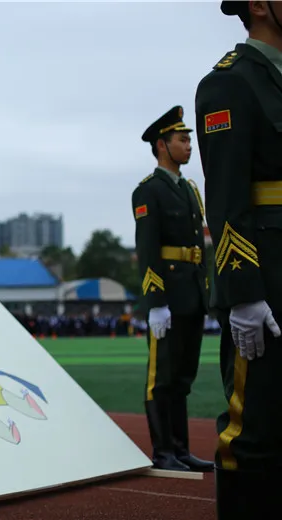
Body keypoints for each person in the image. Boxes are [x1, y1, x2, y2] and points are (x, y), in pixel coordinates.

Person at [195, 2, 282, 517]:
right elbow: (227, 198)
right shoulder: (228, 83)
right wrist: (244, 292)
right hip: (267, 274)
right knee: (254, 431)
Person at [131, 105, 213, 473]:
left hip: (192, 293)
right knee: (161, 378)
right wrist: (155, 302)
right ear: (162, 145)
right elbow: (147, 249)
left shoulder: (191, 189)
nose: (188, 146)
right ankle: (162, 451)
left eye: (189, 139)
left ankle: (180, 449)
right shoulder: (149, 191)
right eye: (182, 139)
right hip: (168, 296)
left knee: (182, 376)